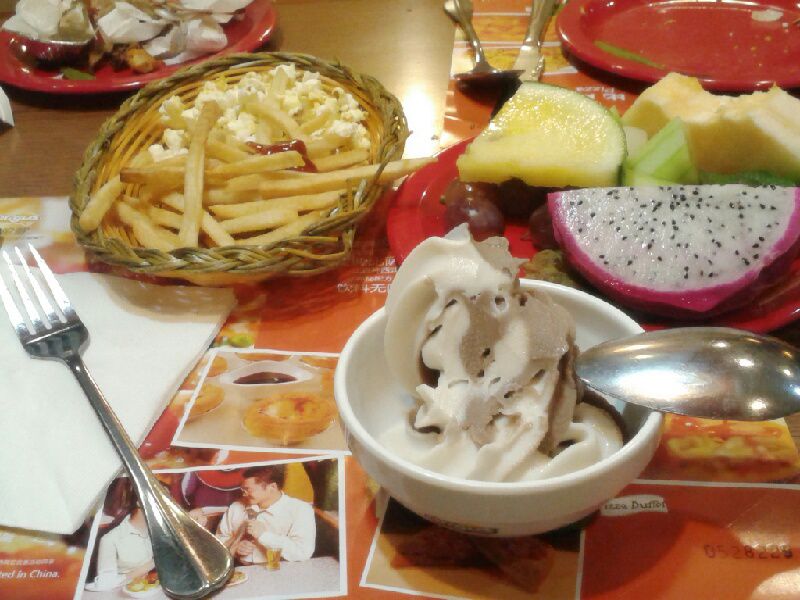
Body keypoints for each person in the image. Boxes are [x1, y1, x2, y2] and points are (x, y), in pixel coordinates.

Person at [216, 465, 316, 564]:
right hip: (240, 569)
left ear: (272, 487)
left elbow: (303, 552)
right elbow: (219, 540)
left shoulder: (300, 510)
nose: (244, 494)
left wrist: (264, 536)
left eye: (248, 489)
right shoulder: (236, 507)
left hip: (281, 570)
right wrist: (236, 547)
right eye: (243, 489)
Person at [93, 507, 155, 585]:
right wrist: (152, 564)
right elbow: (105, 583)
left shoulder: (157, 533)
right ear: (139, 503)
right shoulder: (110, 539)